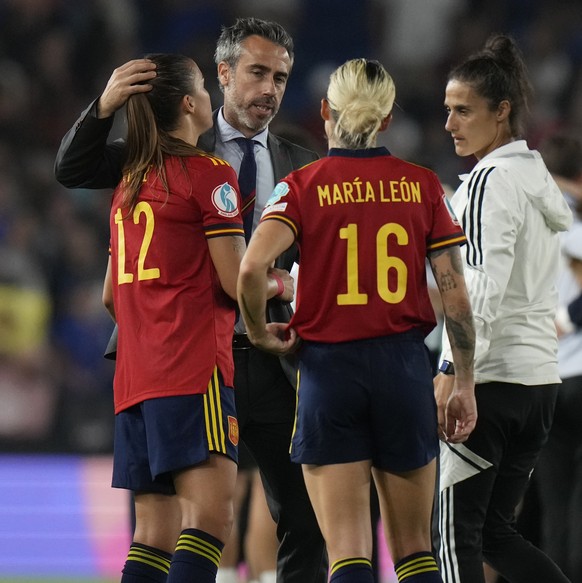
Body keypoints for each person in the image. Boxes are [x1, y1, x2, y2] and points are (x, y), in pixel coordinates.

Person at [54, 17, 327, 583]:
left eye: (280, 77)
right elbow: (71, 168)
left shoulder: (302, 164)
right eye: (257, 72)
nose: (270, 88)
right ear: (219, 79)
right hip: (202, 357)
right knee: (207, 520)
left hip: (260, 362)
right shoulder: (181, 158)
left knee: (295, 514)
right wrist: (102, 106)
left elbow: (111, 293)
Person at [237, 57, 477, 583]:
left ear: (325, 110)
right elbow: (456, 300)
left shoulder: (301, 186)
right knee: (415, 552)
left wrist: (258, 330)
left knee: (348, 554)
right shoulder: (423, 185)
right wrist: (463, 380)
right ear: (387, 118)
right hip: (403, 372)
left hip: (328, 375)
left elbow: (252, 266)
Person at [434, 33, 573, 583]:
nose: (449, 124)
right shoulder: (533, 177)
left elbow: (479, 290)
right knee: (494, 531)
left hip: (490, 382)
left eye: (463, 110)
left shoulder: (490, 182)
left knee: (453, 531)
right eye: (447, 110)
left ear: (502, 111)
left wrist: (454, 373)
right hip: (538, 381)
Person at [105, 52, 246, 583]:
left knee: (153, 536)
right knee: (210, 520)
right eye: (205, 87)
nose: (212, 95)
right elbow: (237, 283)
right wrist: (284, 282)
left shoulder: (128, 186)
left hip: (135, 381)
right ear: (189, 103)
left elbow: (109, 297)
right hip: (193, 372)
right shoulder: (210, 174)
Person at [533, 133, 582, 582]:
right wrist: (569, 318)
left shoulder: (535, 227)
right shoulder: (579, 228)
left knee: (553, 498)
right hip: (579, 373)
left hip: (544, 377)